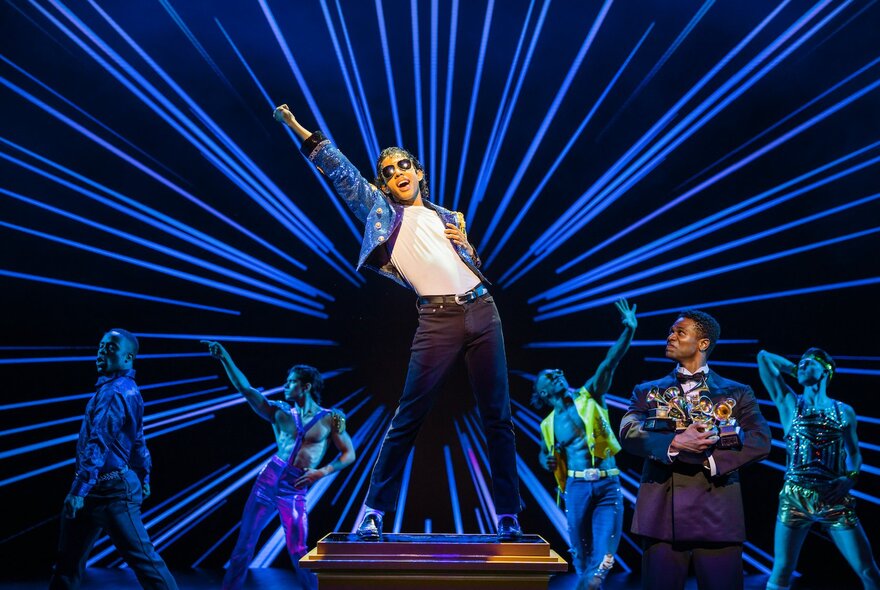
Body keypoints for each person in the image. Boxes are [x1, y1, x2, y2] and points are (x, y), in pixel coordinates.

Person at [273, 104, 523, 541]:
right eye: (388, 171)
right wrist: (295, 125)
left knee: (498, 417)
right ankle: (372, 511)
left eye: (403, 165)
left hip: (483, 310)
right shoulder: (382, 212)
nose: (397, 172)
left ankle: (507, 514)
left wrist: (467, 243)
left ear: (419, 172)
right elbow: (337, 167)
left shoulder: (449, 216)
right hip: (437, 318)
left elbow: (469, 266)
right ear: (384, 184)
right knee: (408, 416)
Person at [619, 310, 771, 590]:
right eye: (671, 331)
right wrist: (674, 444)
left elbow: (760, 439)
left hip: (717, 516)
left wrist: (710, 458)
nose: (670, 337)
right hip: (661, 516)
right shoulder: (647, 390)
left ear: (702, 343)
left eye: (680, 332)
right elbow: (628, 431)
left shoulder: (737, 392)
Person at [202, 341, 355, 590]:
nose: (285, 385)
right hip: (268, 480)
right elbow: (245, 388)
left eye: (291, 381)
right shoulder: (279, 412)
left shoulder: (330, 418)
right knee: (244, 545)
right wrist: (225, 358)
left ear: (305, 386)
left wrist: (322, 472)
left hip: (294, 488)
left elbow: (349, 454)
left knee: (298, 549)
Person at [49, 329, 178, 590]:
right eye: (101, 346)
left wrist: (79, 489)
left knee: (147, 565)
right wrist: (144, 475)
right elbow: (138, 440)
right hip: (98, 490)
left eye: (110, 348)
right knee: (66, 566)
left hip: (112, 493)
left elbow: (99, 442)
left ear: (128, 357)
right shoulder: (125, 389)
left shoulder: (115, 392)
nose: (101, 352)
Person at [532, 298, 637, 590]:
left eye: (558, 372)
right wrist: (547, 462)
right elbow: (543, 456)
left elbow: (609, 363)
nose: (559, 374)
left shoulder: (590, 396)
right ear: (544, 391)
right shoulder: (548, 424)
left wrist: (628, 332)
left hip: (607, 484)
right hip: (576, 488)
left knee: (602, 561)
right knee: (581, 557)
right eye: (551, 376)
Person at [757, 348, 880, 590]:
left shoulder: (844, 412)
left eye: (808, 363)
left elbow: (854, 454)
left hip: (834, 498)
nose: (801, 366)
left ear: (826, 371)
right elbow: (763, 357)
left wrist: (850, 478)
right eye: (799, 363)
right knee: (782, 570)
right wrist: (797, 369)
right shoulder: (790, 403)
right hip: (795, 497)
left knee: (868, 569)